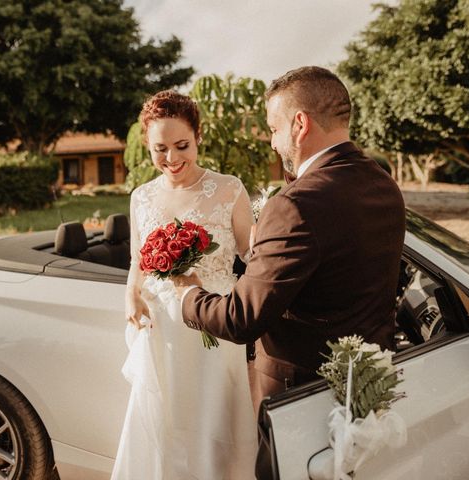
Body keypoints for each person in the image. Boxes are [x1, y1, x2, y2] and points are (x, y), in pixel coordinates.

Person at [176, 66, 405, 476]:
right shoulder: (382, 183)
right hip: (368, 385)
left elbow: (242, 318)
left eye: (273, 127)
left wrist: (187, 295)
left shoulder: (296, 203)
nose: (271, 139)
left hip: (301, 392)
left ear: (300, 124)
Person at [111, 90, 257, 480]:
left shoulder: (228, 189)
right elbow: (137, 260)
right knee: (167, 420)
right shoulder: (141, 197)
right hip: (163, 330)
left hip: (215, 327)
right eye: (160, 149)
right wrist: (131, 296)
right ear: (147, 146)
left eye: (182, 146)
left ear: (198, 137)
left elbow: (252, 252)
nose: (172, 159)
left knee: (214, 419)